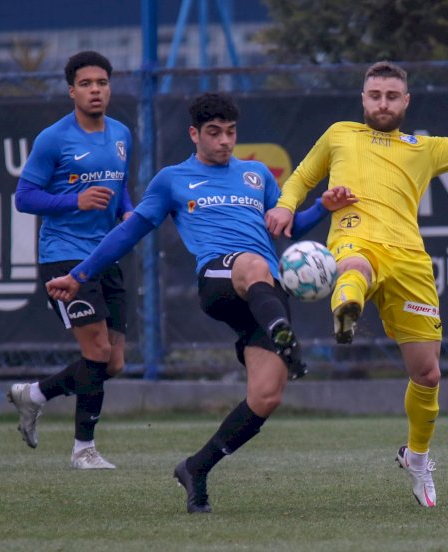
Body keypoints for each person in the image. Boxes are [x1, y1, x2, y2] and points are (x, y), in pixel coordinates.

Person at [44, 92, 357, 512]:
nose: (224, 141)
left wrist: (323, 205)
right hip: (220, 280)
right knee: (251, 263)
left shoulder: (256, 174)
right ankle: (285, 337)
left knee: (266, 396)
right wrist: (79, 274)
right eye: (214, 133)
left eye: (230, 133)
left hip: (265, 292)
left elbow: (287, 226)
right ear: (194, 134)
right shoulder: (172, 179)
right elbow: (128, 233)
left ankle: (197, 468)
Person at [265, 45, 448, 508]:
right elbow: (300, 177)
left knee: (428, 374)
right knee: (352, 267)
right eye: (375, 95)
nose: (383, 104)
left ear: (406, 101)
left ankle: (416, 457)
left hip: (410, 259)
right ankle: (345, 308)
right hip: (356, 238)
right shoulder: (340, 135)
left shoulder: (423, 149)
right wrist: (285, 205)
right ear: (363, 98)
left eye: (393, 96)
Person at [7, 50, 134, 470]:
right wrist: (73, 200)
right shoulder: (54, 139)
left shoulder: (121, 133)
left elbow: (119, 188)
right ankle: (84, 450)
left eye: (101, 82)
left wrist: (127, 212)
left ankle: (36, 393)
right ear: (71, 91)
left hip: (107, 255)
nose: (95, 90)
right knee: (96, 350)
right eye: (86, 84)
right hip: (64, 256)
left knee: (113, 362)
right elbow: (24, 198)